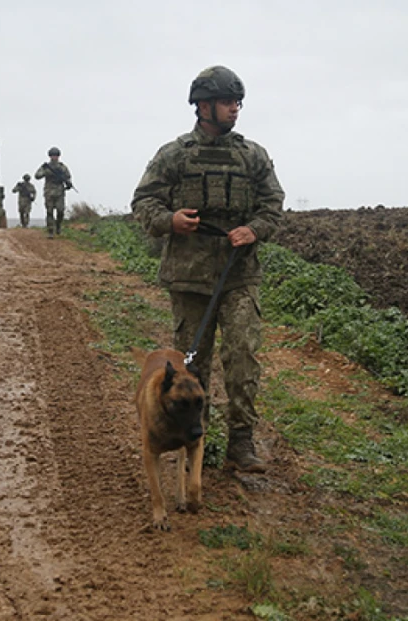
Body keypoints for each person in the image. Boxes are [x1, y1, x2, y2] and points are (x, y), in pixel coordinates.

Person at [130, 65, 285, 473]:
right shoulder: (174, 155)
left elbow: (273, 205)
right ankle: (195, 440)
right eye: (227, 102)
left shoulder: (253, 156)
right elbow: (143, 201)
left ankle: (241, 442)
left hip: (238, 274)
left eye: (237, 102)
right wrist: (170, 220)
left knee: (243, 356)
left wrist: (253, 230)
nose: (235, 109)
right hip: (189, 276)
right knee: (192, 366)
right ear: (203, 107)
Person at [34, 147, 73, 238]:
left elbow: (68, 177)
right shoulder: (46, 167)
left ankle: (58, 225)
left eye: (55, 156)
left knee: (60, 211)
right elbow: (37, 176)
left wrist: (68, 183)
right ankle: (50, 231)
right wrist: (46, 172)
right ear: (50, 156)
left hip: (60, 192)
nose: (54, 157)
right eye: (52, 156)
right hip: (49, 191)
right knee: (49, 211)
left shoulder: (62, 167)